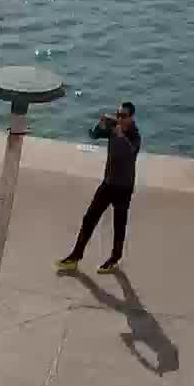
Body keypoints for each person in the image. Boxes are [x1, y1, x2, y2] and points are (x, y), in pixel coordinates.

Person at [57, 101, 139, 275]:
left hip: (124, 187)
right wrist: (100, 124)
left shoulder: (134, 136)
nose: (119, 118)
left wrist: (119, 134)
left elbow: (130, 152)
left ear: (131, 118)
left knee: (119, 225)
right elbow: (93, 135)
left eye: (123, 116)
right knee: (89, 219)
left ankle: (115, 258)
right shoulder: (113, 128)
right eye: (118, 114)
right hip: (108, 183)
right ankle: (75, 257)